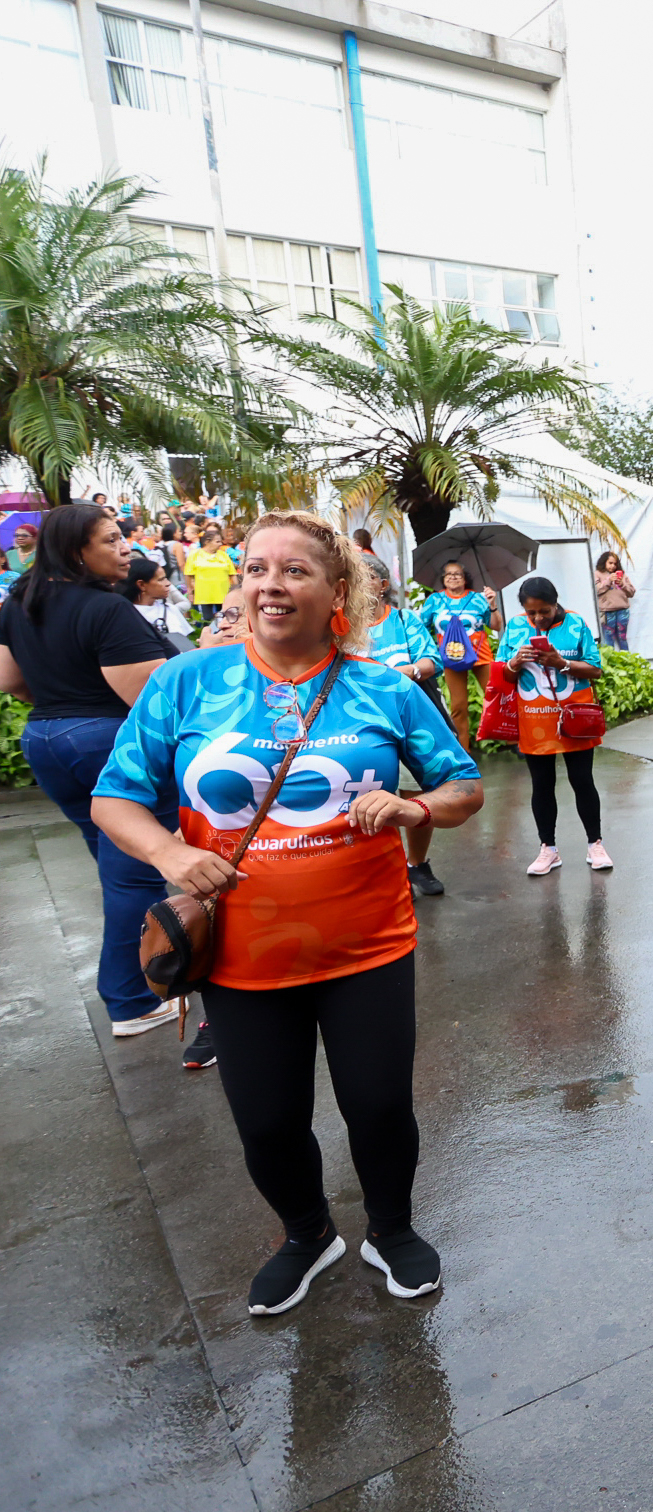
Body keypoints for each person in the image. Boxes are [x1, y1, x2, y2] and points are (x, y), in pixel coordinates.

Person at [91, 510, 483, 1315]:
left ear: (337, 590)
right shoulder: (186, 681)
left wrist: (414, 808)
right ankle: (307, 1234)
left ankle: (392, 1227)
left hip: (368, 944)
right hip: (241, 952)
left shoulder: (384, 688)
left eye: (294, 570)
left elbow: (463, 784)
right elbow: (114, 798)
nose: (270, 584)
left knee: (379, 1105)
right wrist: (170, 855)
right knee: (267, 1121)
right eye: (256, 569)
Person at [0, 503, 180, 1040]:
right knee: (133, 874)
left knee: (117, 868)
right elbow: (147, 699)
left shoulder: (20, 601)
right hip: (106, 741)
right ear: (76, 550)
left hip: (46, 740)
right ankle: (131, 1000)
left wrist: (61, 704)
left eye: (122, 538)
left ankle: (147, 977)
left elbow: (11, 680)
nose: (125, 548)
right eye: (110, 540)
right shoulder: (105, 609)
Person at [496, 578, 611, 876]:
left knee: (582, 780)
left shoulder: (576, 623)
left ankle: (595, 844)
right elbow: (502, 674)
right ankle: (548, 849)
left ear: (555, 602)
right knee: (542, 784)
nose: (537, 618)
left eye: (544, 611)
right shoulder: (515, 627)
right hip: (534, 719)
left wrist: (561, 662)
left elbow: (595, 669)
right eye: (531, 612)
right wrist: (514, 663)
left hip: (575, 719)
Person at [363, 558, 450, 898]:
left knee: (415, 795)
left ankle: (417, 864)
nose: (360, 583)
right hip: (367, 727)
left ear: (383, 585)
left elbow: (432, 661)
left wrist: (404, 673)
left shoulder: (403, 620)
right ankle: (392, 870)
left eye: (368, 576)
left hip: (411, 722)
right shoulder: (342, 627)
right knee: (372, 797)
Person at [420, 560, 500, 750]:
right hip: (451, 657)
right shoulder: (434, 600)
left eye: (457, 574)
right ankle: (464, 750)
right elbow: (421, 627)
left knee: (497, 696)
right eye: (448, 574)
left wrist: (492, 605)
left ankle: (511, 740)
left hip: (480, 655)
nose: (453, 577)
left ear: (465, 579)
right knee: (458, 706)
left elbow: (496, 626)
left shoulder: (478, 598)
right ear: (443, 579)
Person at [123, 558, 193, 646]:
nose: (168, 583)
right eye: (161, 580)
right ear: (141, 585)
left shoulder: (171, 609)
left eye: (166, 578)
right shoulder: (126, 615)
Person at [185, 521, 238, 619]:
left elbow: (232, 574)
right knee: (207, 620)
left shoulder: (223, 555)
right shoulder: (195, 555)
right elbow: (188, 574)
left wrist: (236, 591)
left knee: (225, 619)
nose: (220, 544)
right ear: (207, 542)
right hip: (204, 595)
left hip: (223, 594)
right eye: (217, 541)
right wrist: (190, 592)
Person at [593, 550, 636, 651]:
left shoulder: (622, 575)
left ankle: (626, 659)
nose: (613, 566)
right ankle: (610, 660)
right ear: (604, 562)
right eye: (610, 563)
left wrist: (622, 584)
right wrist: (608, 580)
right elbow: (596, 590)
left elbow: (632, 592)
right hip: (607, 611)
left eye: (615, 564)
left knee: (622, 637)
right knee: (608, 639)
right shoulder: (597, 574)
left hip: (622, 610)